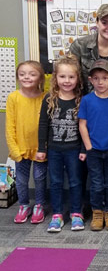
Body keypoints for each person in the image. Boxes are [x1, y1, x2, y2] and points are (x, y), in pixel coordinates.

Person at [36, 56, 86, 232]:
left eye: (71, 77)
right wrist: (42, 148)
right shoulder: (49, 99)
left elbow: (85, 127)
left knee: (75, 182)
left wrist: (83, 148)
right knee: (56, 182)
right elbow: (43, 125)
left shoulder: (81, 99)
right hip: (55, 149)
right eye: (63, 76)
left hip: (74, 150)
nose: (67, 81)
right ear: (55, 77)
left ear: (78, 78)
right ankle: (57, 215)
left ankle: (76, 213)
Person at [78, 59, 108, 231]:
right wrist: (89, 147)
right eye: (96, 78)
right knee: (97, 183)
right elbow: (82, 124)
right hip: (94, 150)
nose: (100, 82)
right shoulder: (86, 100)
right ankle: (97, 212)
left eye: (105, 78)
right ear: (90, 80)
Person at [6, 61, 47, 224]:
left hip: (40, 149)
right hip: (21, 149)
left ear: (40, 78)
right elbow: (10, 126)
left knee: (40, 178)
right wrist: (14, 150)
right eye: (22, 74)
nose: (26, 77)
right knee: (22, 180)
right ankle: (23, 205)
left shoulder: (45, 97)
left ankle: (39, 205)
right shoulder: (13, 98)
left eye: (32, 74)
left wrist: (44, 147)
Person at [69, 3, 108, 95]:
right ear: (97, 22)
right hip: (83, 104)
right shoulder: (79, 46)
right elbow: (69, 79)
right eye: (104, 22)